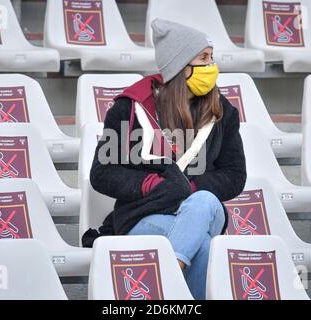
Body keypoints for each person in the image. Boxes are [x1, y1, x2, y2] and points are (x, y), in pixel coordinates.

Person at [82, 19, 247, 299]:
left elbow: (235, 174)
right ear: (180, 65)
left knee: (204, 200)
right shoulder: (131, 108)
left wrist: (191, 188)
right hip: (145, 214)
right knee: (203, 247)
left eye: (212, 58)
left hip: (204, 212)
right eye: (203, 59)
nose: (212, 67)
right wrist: (151, 185)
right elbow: (102, 172)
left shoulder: (223, 112)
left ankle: (168, 277)